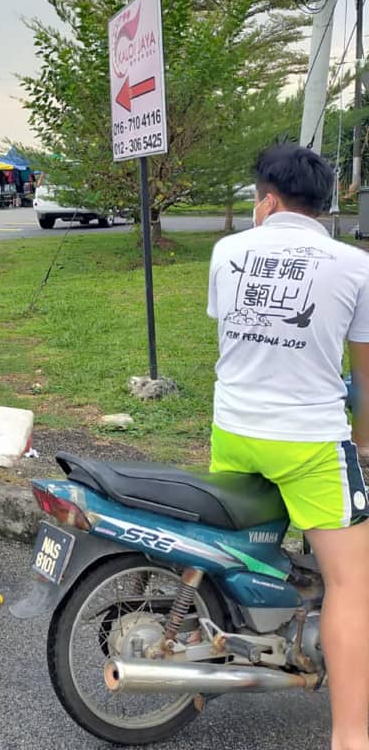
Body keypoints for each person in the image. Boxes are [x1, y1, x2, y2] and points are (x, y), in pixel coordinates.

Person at [207, 143, 369, 750]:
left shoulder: (228, 252)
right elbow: (364, 376)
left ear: (267, 201)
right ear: (324, 206)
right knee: (355, 583)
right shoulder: (355, 265)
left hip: (235, 432)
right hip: (308, 445)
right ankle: (351, 736)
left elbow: (235, 337)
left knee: (242, 550)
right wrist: (364, 441)